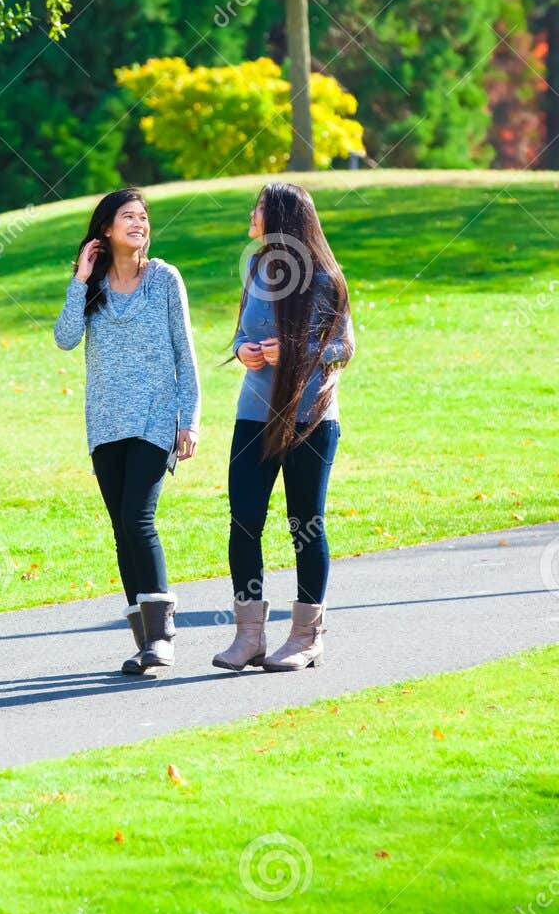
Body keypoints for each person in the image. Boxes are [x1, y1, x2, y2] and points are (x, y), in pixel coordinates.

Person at [54, 188, 200, 675]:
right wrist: (79, 277)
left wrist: (190, 418)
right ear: (105, 230)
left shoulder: (163, 278)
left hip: (155, 420)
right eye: (128, 217)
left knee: (139, 518)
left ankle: (162, 636)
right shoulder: (91, 287)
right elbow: (65, 338)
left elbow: (185, 352)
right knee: (122, 528)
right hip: (105, 423)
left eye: (143, 216)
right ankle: (145, 641)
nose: (139, 223)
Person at [213, 182, 355, 673]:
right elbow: (241, 332)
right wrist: (244, 350)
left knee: (304, 525)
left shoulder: (324, 278)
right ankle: (249, 636)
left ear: (282, 218)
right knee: (244, 521)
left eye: (259, 208)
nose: (251, 215)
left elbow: (344, 347)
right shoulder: (256, 269)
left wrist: (297, 353)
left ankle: (306, 638)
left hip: (310, 418)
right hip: (254, 414)